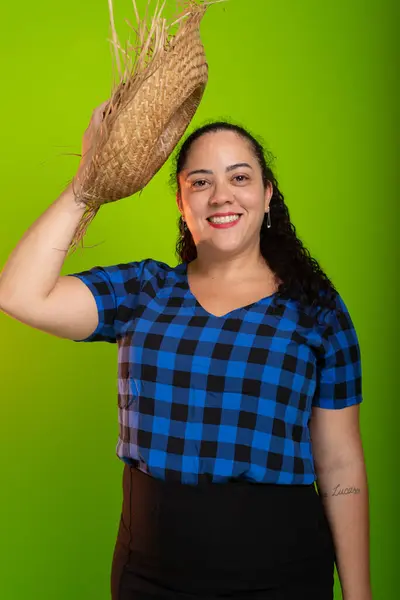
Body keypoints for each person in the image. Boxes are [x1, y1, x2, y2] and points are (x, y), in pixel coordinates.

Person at [0, 102, 371, 600]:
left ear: (267, 197)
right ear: (181, 202)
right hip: (150, 574)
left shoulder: (317, 309)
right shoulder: (142, 290)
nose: (221, 196)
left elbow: (341, 462)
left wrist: (359, 594)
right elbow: (18, 294)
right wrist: (86, 182)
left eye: (239, 178)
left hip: (283, 573)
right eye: (200, 182)